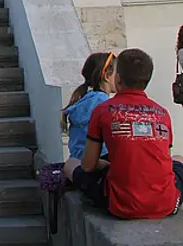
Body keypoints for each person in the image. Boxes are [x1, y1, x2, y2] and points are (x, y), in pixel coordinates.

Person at [64, 48, 183, 219]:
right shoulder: (162, 113)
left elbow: (88, 165)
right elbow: (164, 162)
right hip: (166, 204)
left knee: (70, 164)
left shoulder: (103, 110)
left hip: (122, 205)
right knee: (178, 159)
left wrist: (105, 165)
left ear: (118, 79)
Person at [62, 52, 117, 159]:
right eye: (117, 73)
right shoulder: (103, 103)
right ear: (106, 76)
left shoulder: (84, 100)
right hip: (99, 159)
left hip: (77, 160)